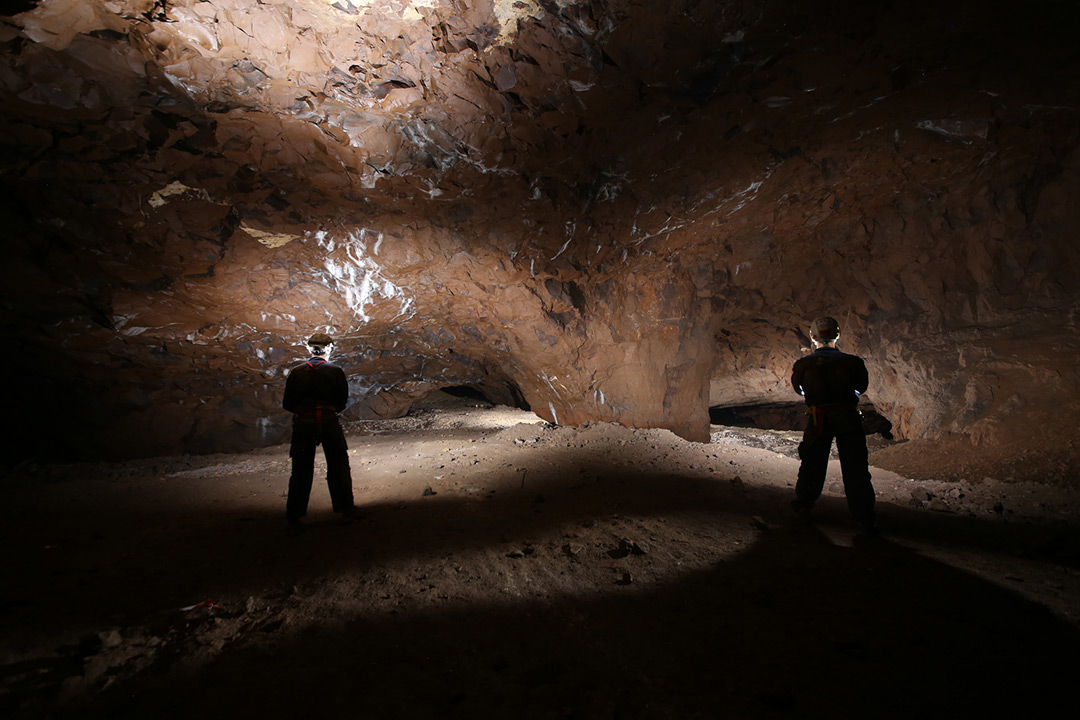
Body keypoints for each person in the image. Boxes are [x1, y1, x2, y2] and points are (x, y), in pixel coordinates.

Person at [790, 317, 877, 535]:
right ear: (837, 335)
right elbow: (861, 387)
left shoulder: (803, 365)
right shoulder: (853, 363)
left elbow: (799, 390)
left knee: (812, 464)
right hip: (847, 416)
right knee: (855, 467)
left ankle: (803, 508)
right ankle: (863, 517)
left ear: (813, 337)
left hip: (818, 417)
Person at [282, 332, 357, 533]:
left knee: (301, 469)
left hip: (303, 422)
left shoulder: (297, 372)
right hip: (328, 420)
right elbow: (341, 401)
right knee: (338, 464)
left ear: (309, 349)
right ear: (329, 348)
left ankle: (294, 516)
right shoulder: (335, 371)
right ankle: (346, 510)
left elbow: (287, 403)